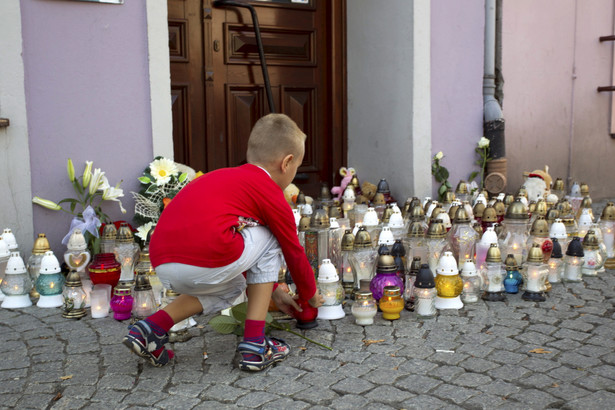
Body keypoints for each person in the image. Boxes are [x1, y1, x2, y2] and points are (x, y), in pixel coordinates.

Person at [123, 113, 323, 371]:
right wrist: (310, 294)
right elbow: (293, 251)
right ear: (287, 163)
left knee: (233, 287)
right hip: (208, 258)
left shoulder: (220, 177)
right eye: (296, 169)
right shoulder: (270, 190)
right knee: (273, 233)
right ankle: (254, 346)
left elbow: (232, 252)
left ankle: (150, 328)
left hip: (162, 264)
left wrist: (273, 291)